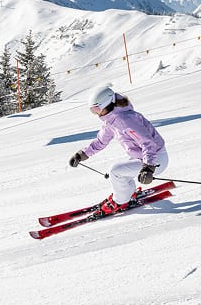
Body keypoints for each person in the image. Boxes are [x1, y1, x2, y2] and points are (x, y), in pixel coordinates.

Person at [68, 85, 168, 214]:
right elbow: (100, 141)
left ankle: (120, 201)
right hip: (144, 158)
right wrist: (81, 155)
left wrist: (148, 167)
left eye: (96, 109)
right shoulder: (111, 121)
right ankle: (127, 194)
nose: (96, 113)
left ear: (106, 104)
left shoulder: (125, 120)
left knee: (115, 171)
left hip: (156, 159)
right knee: (121, 174)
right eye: (92, 110)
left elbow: (148, 143)